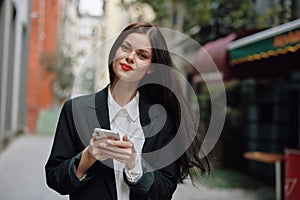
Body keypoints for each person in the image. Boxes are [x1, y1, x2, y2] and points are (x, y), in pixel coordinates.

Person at [45, 22, 210, 200]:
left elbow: (164, 192)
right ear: (115, 50)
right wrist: (88, 156)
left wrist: (135, 165)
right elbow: (55, 179)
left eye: (142, 55)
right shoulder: (75, 110)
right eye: (126, 48)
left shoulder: (162, 120)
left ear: (151, 68)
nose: (130, 57)